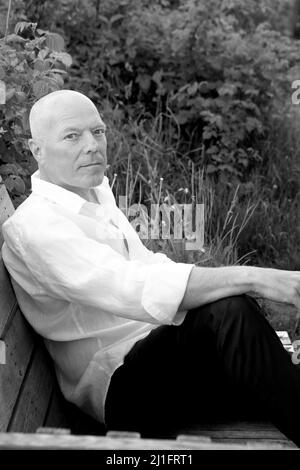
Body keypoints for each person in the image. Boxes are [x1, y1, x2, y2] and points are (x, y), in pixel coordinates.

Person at [2, 89, 300, 446]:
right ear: (38, 150)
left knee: (239, 321)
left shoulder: (95, 194)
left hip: (158, 362)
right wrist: (255, 277)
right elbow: (131, 285)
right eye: (72, 136)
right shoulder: (37, 227)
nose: (92, 145)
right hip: (122, 393)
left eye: (98, 132)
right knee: (228, 311)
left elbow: (146, 263)